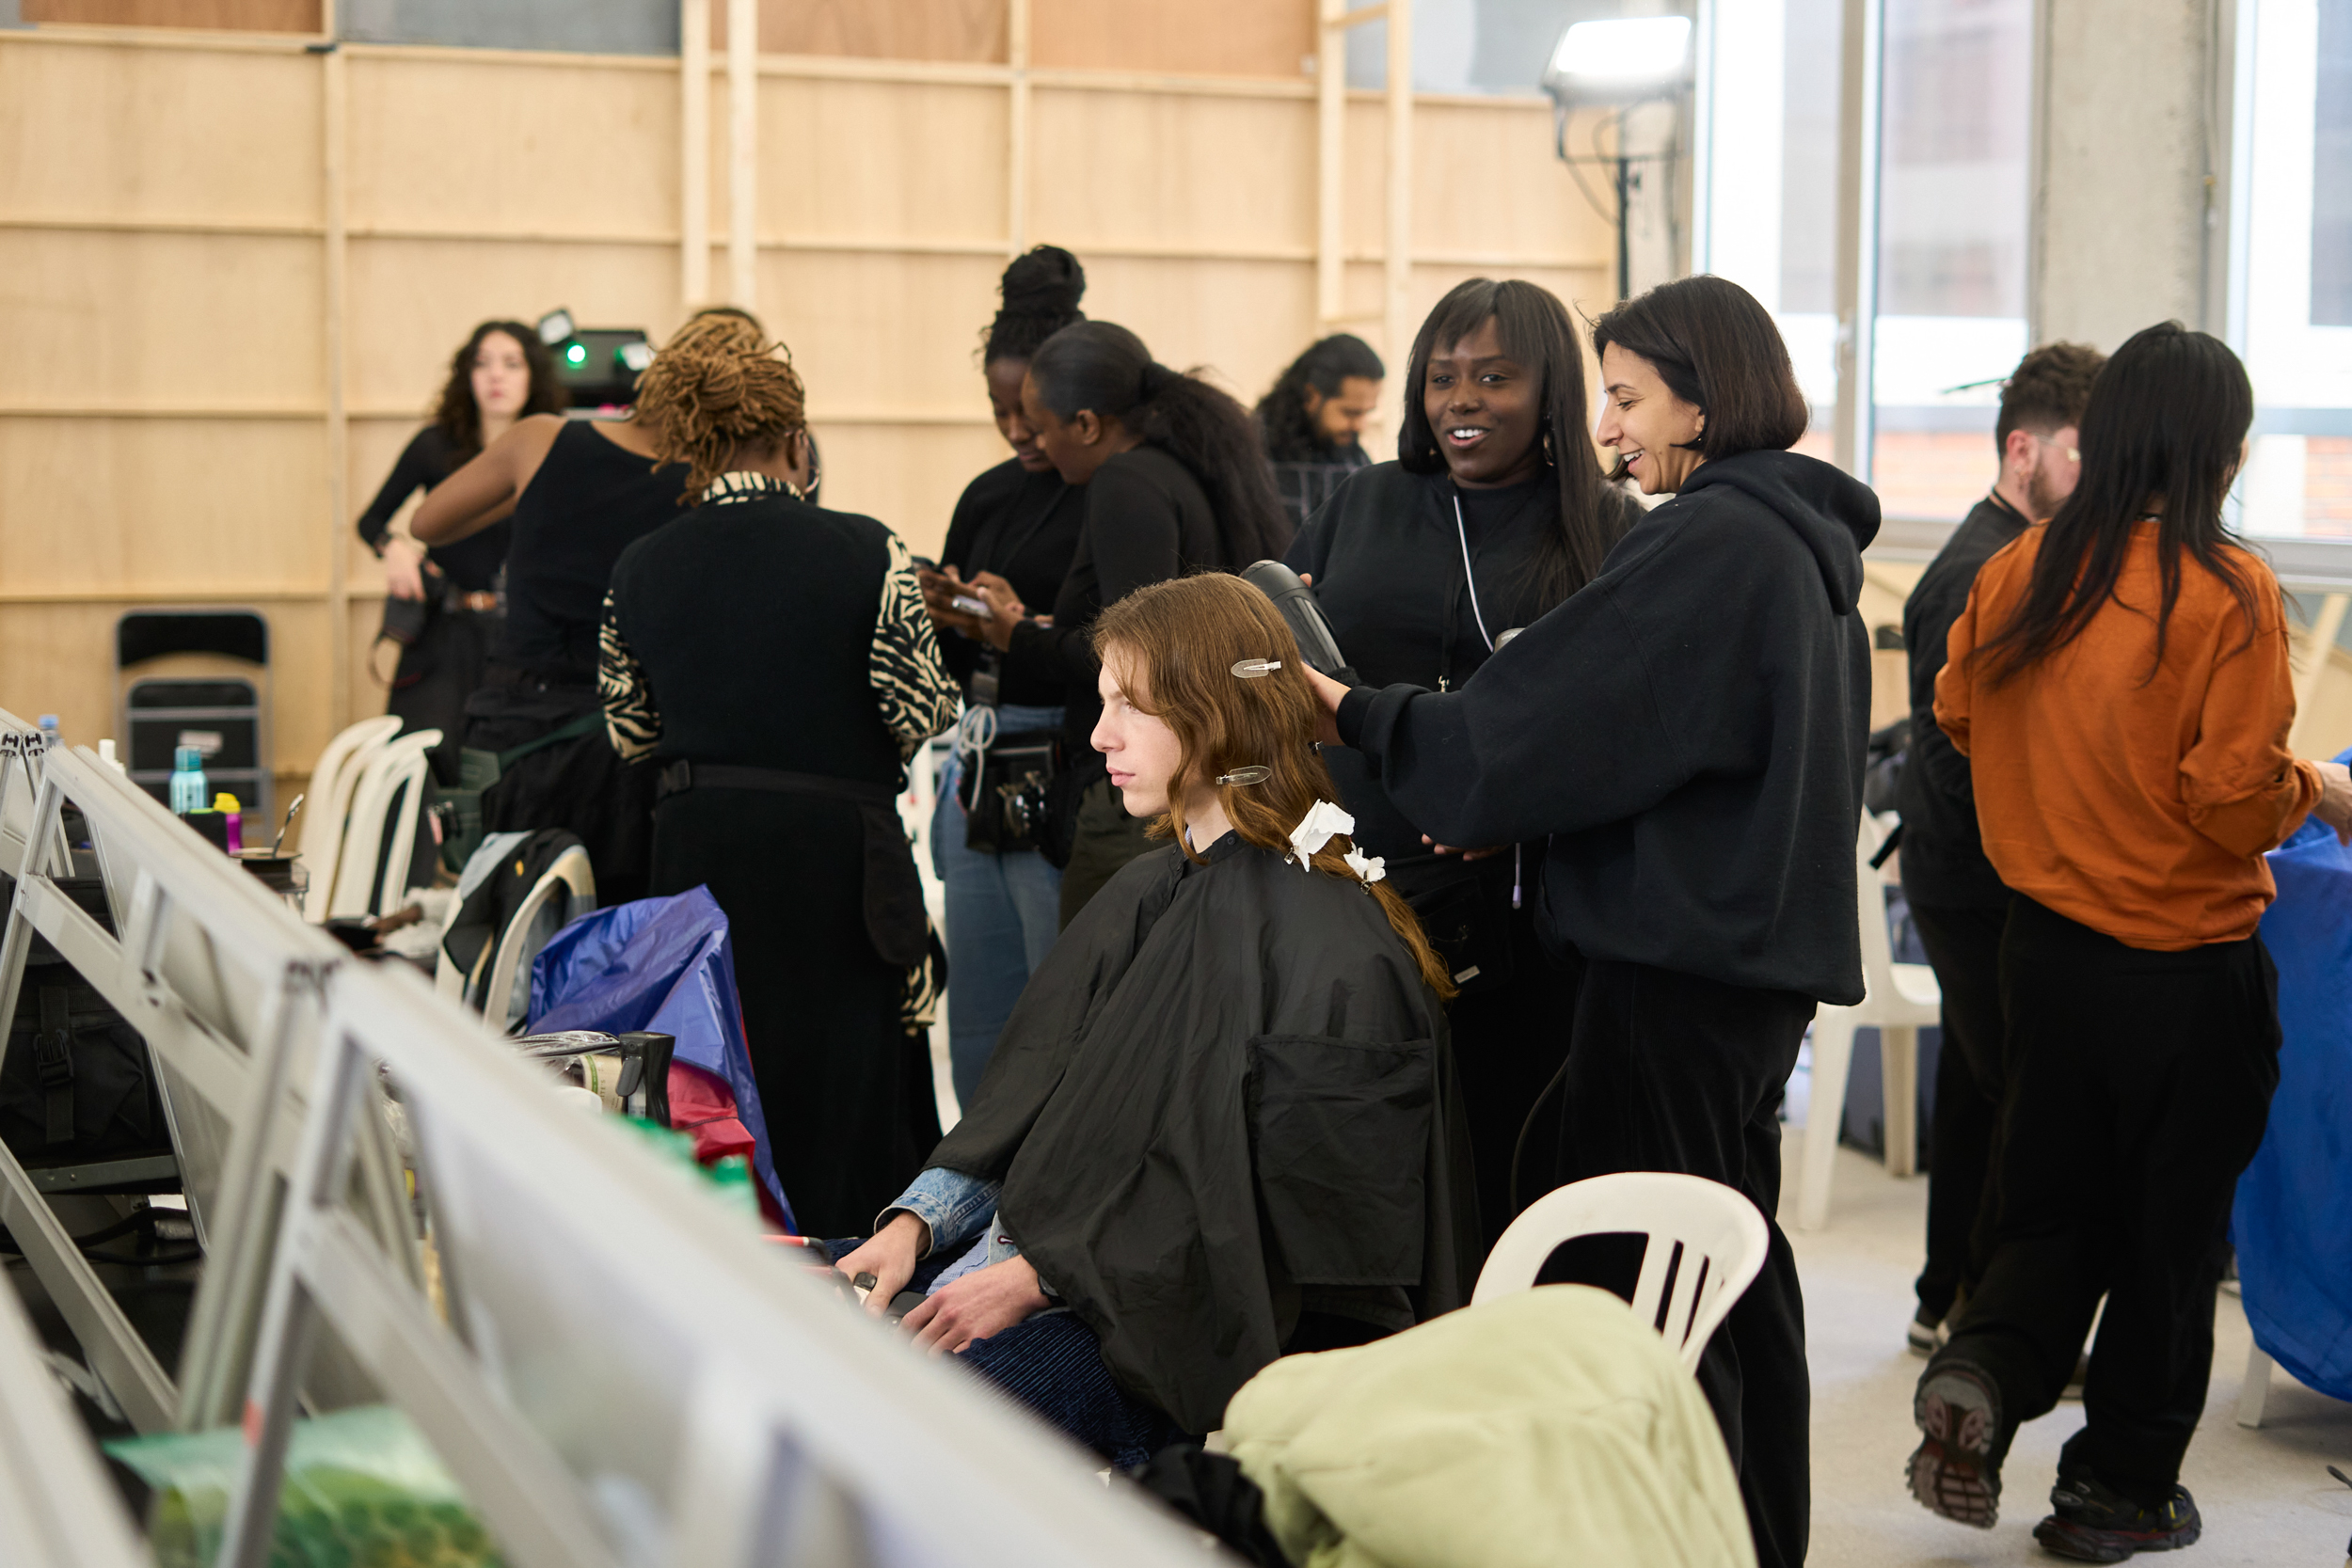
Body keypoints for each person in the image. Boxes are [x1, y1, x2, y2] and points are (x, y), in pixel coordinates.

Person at [1302, 274, 1879, 1568]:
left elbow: (1543, 721)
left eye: (1627, 398)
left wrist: (1357, 713)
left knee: (1643, 1292)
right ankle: (1750, 1529)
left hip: (1672, 976)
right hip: (1742, 976)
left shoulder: (1713, 541)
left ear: (1703, 392)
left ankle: (1672, 1535)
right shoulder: (1796, 544)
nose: (1614, 431)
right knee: (1727, 1265)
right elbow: (1670, 750)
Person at [832, 573, 1477, 1467]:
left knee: (881, 1442)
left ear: (1215, 711)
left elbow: (1313, 1253)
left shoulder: (1335, 949)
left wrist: (1045, 1275)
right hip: (1047, 1274)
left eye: (1131, 707)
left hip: (1161, 1345)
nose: (1100, 737)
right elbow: (1039, 1106)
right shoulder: (1156, 886)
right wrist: (919, 1226)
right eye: (1103, 704)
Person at [1907, 323, 2352, 1560]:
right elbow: (2226, 794)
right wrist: (2313, 789)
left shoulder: (2024, 569)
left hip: (2041, 954)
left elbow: (1953, 706)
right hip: (2184, 968)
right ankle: (2116, 1487)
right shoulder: (2231, 589)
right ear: (2218, 444)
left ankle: (1986, 1369)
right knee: (2166, 1233)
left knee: (2048, 1206)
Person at [1284, 277, 1640, 1241]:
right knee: (1353, 1163)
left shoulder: (1610, 528)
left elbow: (1629, 728)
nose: (1461, 399)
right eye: (1442, 377)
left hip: (1523, 917)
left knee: (1502, 1166)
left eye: (1493, 375)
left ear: (1550, 391)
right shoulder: (1362, 504)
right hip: (1351, 891)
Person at [597, 317, 960, 1240]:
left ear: (689, 449)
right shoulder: (864, 547)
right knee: (848, 1090)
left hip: (698, 852)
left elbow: (631, 730)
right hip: (837, 860)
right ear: (796, 440)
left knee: (719, 1073)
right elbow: (921, 709)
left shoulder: (639, 564)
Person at [1897, 341, 2105, 1359]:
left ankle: (1948, 1294)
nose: (2096, 477)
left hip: (1987, 871)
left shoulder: (2029, 554)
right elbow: (1949, 761)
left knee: (1982, 1091)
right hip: (1970, 877)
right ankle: (1994, 1327)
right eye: (2081, 453)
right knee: (2019, 1094)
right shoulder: (1980, 568)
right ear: (2023, 449)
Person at [947, 321, 1290, 927]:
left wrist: (1010, 636)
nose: (1032, 441)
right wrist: (1029, 621)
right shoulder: (1174, 472)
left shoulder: (1124, 483)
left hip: (1139, 797)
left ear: (1085, 424)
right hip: (1189, 770)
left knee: (1092, 991)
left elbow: (1138, 657)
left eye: (1042, 426)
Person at [413, 316, 710, 905]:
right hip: (633, 740)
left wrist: (528, 500)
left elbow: (429, 525)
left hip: (520, 724)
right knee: (620, 931)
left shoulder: (541, 438)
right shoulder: (699, 482)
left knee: (514, 926)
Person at [915, 246, 1088, 1107]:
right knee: (979, 1020)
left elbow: (1112, 644)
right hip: (974, 760)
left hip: (1058, 765)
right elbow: (951, 666)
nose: (1019, 431)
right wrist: (951, 621)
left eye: (1031, 411)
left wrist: (1024, 630)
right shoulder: (987, 495)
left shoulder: (1108, 491)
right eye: (999, 411)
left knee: (1055, 1015)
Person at [356, 320, 566, 766]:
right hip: (445, 631)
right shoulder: (436, 445)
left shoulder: (556, 447)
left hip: (523, 633)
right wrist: (394, 550)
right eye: (483, 364)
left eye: (511, 364)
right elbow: (370, 520)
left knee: (519, 758)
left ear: (533, 376)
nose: (496, 376)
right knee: (423, 760)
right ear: (466, 376)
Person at [1256, 332, 1386, 530]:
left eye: (1366, 413)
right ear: (1311, 397)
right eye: (1350, 412)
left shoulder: (1356, 462)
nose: (1360, 426)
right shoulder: (1254, 454)